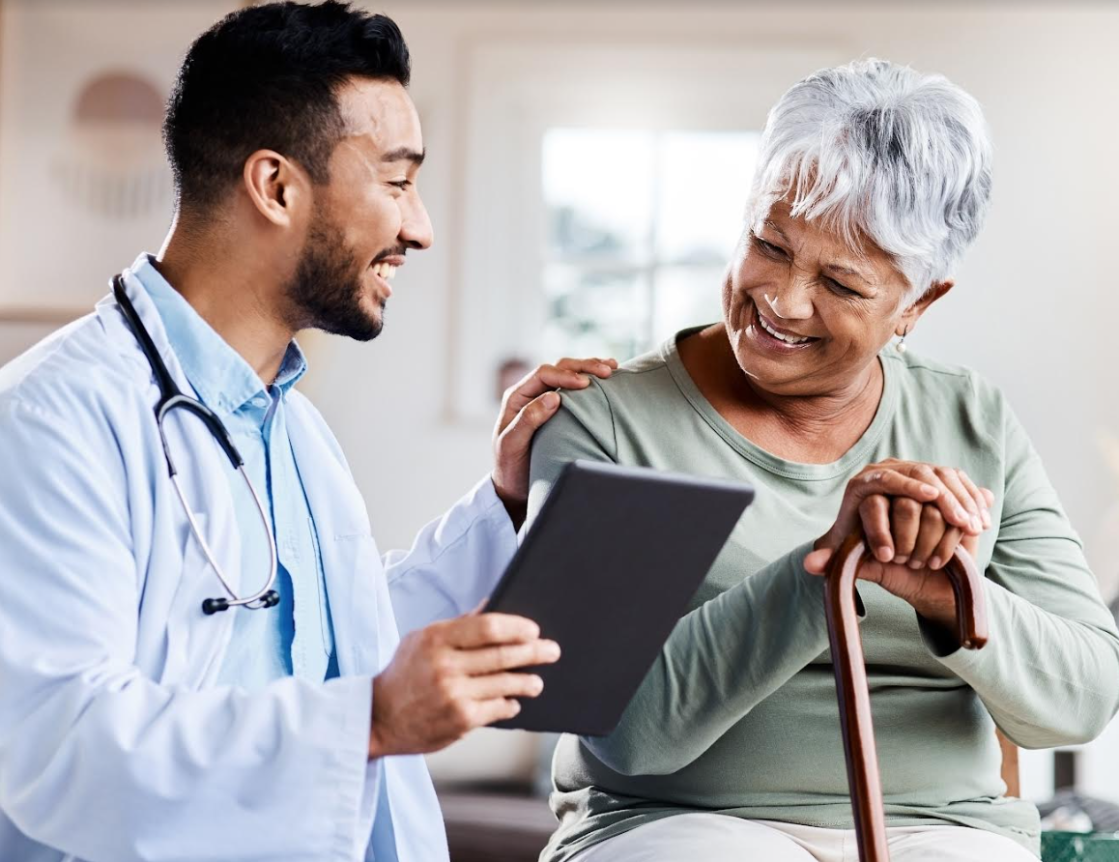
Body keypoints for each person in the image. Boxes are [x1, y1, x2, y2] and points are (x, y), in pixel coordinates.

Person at [0, 3, 617, 861]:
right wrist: (368, 719)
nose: (420, 227)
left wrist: (507, 502)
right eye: (397, 182)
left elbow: (342, 643)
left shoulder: (290, 423)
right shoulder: (49, 421)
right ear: (276, 186)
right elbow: (55, 745)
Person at [528, 58, 1119, 861]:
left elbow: (1081, 699)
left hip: (943, 828)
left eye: (840, 284)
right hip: (677, 826)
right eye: (768, 244)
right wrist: (824, 570)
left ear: (917, 302)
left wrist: (951, 595)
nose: (782, 299)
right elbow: (625, 735)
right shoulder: (610, 421)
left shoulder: (968, 416)